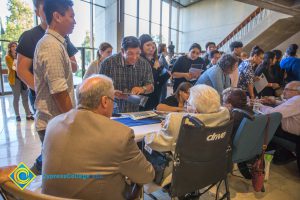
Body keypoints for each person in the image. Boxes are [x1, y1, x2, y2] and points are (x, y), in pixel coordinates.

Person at [42, 74, 155, 199]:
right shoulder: (120, 134)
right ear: (105, 101)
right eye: (113, 100)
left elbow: (39, 165)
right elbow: (146, 175)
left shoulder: (53, 124)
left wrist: (18, 177)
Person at [32, 0, 76, 174]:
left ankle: (14, 186)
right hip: (54, 123)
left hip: (54, 122)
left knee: (43, 164)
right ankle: (13, 188)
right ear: (57, 16)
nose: (75, 21)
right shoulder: (51, 45)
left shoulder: (57, 43)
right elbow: (59, 91)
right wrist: (74, 122)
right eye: (71, 16)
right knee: (46, 169)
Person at [16, 0, 78, 113]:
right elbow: (21, 70)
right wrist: (42, 90)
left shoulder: (61, 39)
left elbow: (74, 66)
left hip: (57, 111)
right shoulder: (46, 42)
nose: (74, 22)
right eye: (71, 16)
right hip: (52, 112)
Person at [145, 84, 230, 152]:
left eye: (188, 103)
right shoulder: (225, 114)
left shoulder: (177, 120)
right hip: (212, 162)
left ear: (195, 110)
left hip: (181, 167)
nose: (187, 105)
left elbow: (155, 143)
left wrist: (148, 135)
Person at [100, 36, 154, 113]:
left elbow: (151, 86)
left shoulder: (144, 64)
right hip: (111, 111)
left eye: (138, 53)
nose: (135, 57)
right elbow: (100, 88)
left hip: (135, 111)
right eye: (130, 53)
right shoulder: (108, 63)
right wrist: (111, 92)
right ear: (122, 51)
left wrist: (142, 89)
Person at [259, 81, 300, 171]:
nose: (283, 91)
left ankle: (255, 154)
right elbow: (288, 105)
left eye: (287, 89)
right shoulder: (296, 100)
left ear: (297, 91)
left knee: (262, 126)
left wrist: (259, 105)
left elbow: (273, 114)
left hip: (294, 138)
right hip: (295, 136)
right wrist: (275, 102)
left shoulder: (297, 100)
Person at [222, 87, 255, 179]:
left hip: (233, 148)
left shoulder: (235, 115)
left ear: (229, 101)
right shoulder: (250, 111)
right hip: (248, 146)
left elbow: (226, 133)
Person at [139, 34, 170, 110]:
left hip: (155, 95)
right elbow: (149, 80)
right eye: (148, 45)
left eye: (153, 45)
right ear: (141, 46)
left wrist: (166, 73)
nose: (151, 48)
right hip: (144, 97)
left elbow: (161, 78)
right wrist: (156, 69)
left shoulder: (154, 60)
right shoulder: (140, 61)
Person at [5, 42, 33, 121]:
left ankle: (28, 114)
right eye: (12, 46)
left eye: (16, 46)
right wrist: (16, 58)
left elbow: (25, 66)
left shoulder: (20, 56)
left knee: (25, 98)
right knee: (16, 98)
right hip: (15, 80)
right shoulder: (7, 57)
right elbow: (13, 68)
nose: (14, 47)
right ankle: (17, 115)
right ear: (10, 48)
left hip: (23, 79)